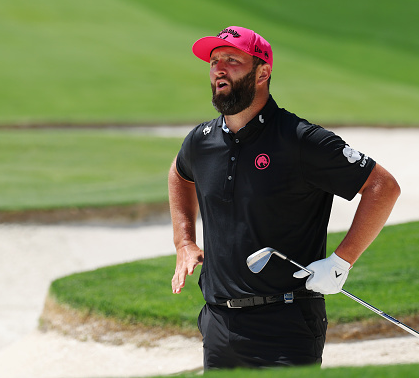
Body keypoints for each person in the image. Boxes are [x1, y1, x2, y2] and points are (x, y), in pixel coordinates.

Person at [168, 26, 400, 370]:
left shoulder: (300, 140)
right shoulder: (201, 141)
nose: (218, 68)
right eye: (214, 60)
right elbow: (179, 173)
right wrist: (184, 241)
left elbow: (383, 187)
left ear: (263, 72)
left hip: (285, 325)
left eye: (232, 60)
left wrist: (341, 262)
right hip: (218, 326)